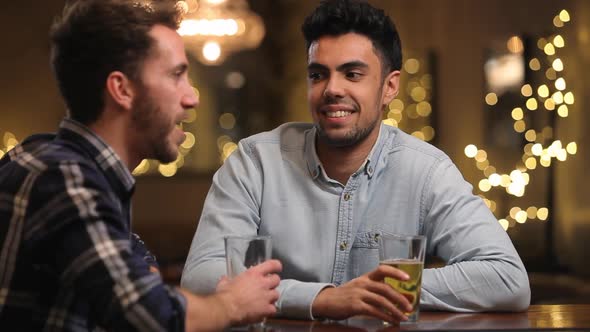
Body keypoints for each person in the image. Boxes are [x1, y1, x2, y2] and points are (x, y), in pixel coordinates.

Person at [181, 0, 530, 325]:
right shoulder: (254, 161)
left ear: (390, 87)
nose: (331, 89)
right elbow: (201, 278)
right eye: (318, 74)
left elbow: (506, 278)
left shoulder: (426, 171)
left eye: (352, 74)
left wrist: (377, 292)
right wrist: (321, 298)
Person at [0, 0, 282, 331]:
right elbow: (149, 315)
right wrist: (231, 304)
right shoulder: (62, 175)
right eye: (176, 75)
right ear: (122, 89)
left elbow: (143, 279)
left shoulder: (56, 162)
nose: (192, 97)